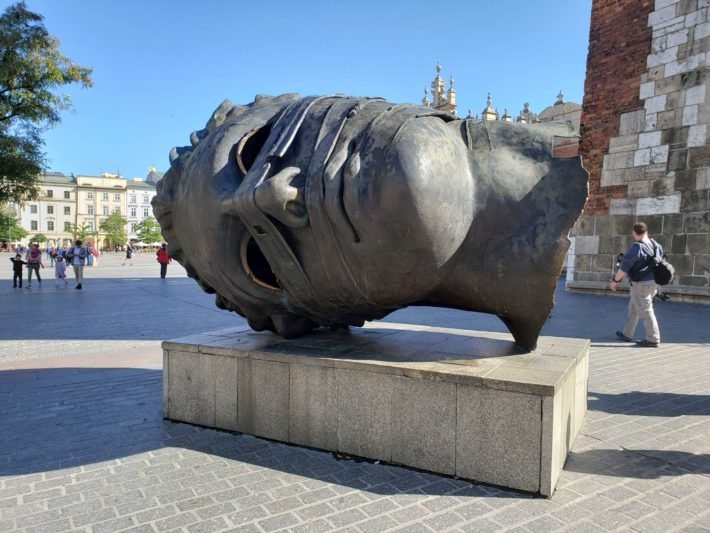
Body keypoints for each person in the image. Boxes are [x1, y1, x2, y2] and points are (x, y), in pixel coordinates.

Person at [610, 222, 662, 347]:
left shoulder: (637, 247)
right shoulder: (656, 245)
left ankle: (653, 338)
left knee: (646, 310)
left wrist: (614, 281)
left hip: (641, 284)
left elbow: (624, 268)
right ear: (646, 231)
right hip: (654, 282)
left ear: (634, 233)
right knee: (634, 307)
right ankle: (627, 334)